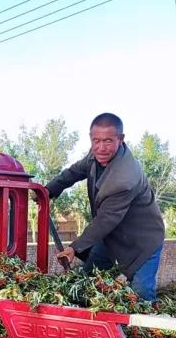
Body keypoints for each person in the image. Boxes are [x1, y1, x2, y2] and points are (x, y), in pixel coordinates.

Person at [45, 112, 165, 301]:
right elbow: (74, 172)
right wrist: (48, 191)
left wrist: (75, 247)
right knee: (88, 277)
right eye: (96, 141)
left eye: (108, 141)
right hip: (111, 234)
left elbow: (106, 219)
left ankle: (147, 326)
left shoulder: (125, 177)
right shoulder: (95, 155)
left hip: (142, 239)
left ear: (121, 139)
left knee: (141, 291)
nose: (101, 148)